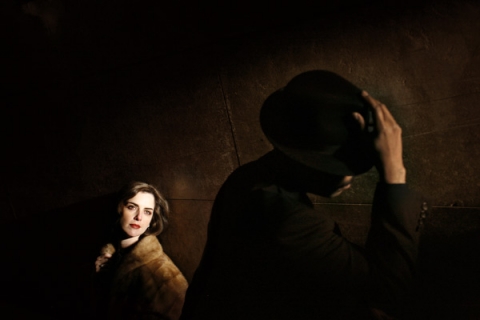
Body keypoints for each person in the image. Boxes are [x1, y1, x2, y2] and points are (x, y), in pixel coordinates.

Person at [180, 70, 428, 320]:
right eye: (340, 165)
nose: (351, 177)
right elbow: (385, 296)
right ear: (303, 158)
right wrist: (394, 173)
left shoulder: (249, 177)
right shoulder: (286, 221)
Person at [93, 181, 188, 320]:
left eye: (147, 212)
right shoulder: (109, 258)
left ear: (151, 219)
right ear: (119, 209)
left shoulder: (163, 273)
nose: (139, 217)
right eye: (132, 207)